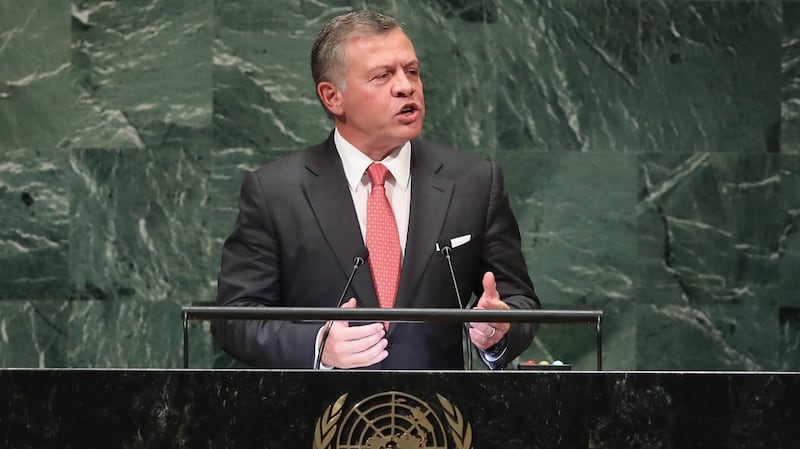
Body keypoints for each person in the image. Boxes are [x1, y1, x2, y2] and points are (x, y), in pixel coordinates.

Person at [212, 10, 540, 370]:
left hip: (439, 416)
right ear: (332, 97)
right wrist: (318, 344)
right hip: (321, 416)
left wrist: (500, 327)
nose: (406, 86)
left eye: (411, 71)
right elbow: (234, 318)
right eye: (383, 76)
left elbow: (518, 299)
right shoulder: (275, 192)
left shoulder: (474, 181)